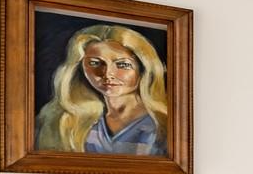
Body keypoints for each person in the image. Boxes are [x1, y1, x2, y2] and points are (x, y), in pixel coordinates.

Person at [34, 23, 169, 157]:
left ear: (144, 68)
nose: (107, 74)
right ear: (80, 68)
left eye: (122, 64)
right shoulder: (60, 119)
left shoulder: (164, 123)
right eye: (94, 63)